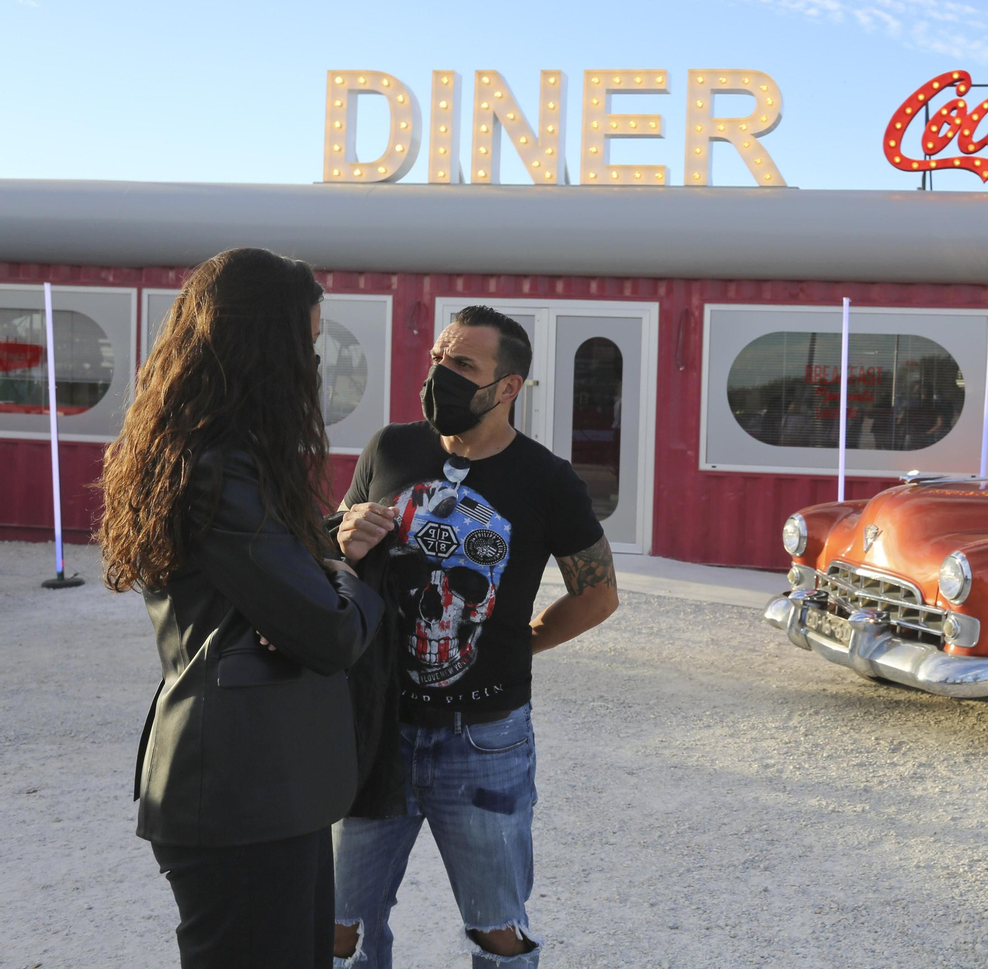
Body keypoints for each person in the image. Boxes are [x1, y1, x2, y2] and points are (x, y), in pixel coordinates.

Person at [98, 248, 384, 968]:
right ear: (265, 349)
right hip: (242, 794)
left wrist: (319, 554)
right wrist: (348, 569)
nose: (315, 364)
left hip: (260, 788)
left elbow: (276, 581)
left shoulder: (209, 452)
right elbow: (329, 631)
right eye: (309, 344)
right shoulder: (221, 469)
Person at [331, 305, 620, 969]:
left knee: (499, 929)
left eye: (463, 365)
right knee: (338, 925)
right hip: (378, 728)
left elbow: (598, 593)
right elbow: (340, 533)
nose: (441, 375)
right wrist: (343, 535)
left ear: (508, 387)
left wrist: (522, 643)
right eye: (438, 358)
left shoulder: (547, 481)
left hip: (485, 741)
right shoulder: (391, 448)